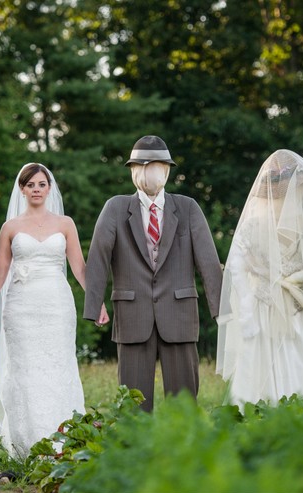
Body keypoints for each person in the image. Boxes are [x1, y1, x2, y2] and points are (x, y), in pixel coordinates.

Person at [84, 135, 223, 411]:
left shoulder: (187, 207)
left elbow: (208, 260)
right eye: (143, 167)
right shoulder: (115, 207)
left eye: (157, 166)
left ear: (167, 171)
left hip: (180, 314)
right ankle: (136, 452)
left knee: (184, 403)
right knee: (133, 406)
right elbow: (98, 256)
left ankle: (184, 453)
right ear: (134, 171)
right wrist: (94, 303)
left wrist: (222, 311)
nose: (150, 173)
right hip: (132, 315)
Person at [215, 149, 303, 414]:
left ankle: (270, 417)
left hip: (287, 308)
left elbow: (236, 266)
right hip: (285, 308)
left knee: (289, 364)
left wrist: (249, 302)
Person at [0, 163, 109, 458]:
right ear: (22, 189)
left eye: (42, 184)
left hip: (57, 306)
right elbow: (0, 271)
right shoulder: (11, 227)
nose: (37, 189)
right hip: (20, 308)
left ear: (49, 187)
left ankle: (63, 442)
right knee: (25, 371)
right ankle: (26, 444)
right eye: (31, 185)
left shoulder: (65, 224)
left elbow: (79, 268)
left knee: (58, 367)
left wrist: (97, 302)